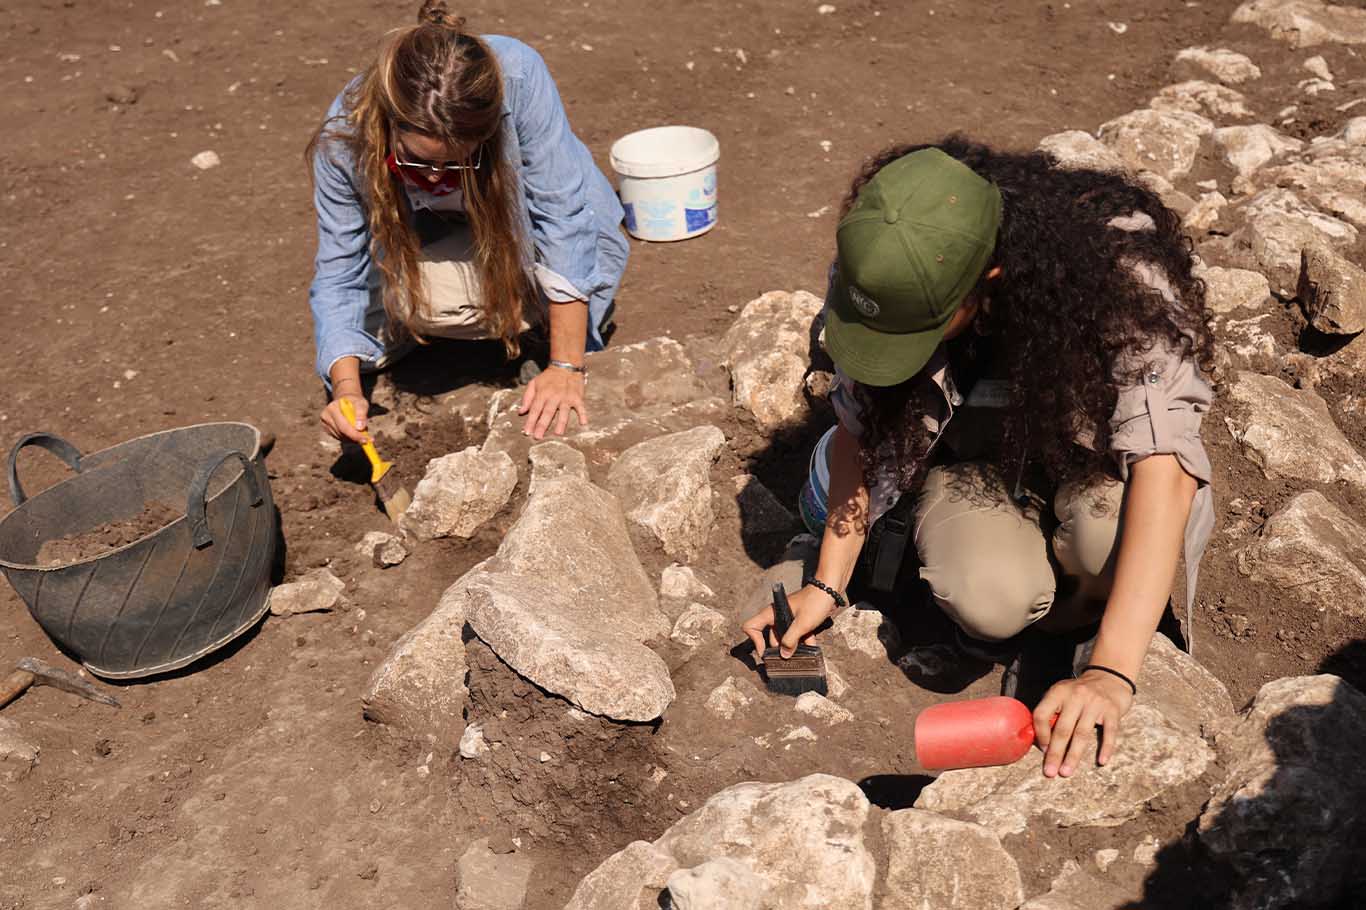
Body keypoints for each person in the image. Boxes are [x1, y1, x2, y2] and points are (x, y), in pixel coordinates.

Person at [743, 138, 1216, 779]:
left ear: (986, 280)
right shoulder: (877, 268)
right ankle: (1028, 626)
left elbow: (1166, 465)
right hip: (974, 467)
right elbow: (860, 426)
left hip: (1096, 466)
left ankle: (1077, 634)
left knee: (1104, 538)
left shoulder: (1119, 273)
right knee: (988, 598)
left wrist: (1110, 672)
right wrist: (825, 586)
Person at [306, 1, 628, 443]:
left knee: (595, 263)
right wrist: (345, 390)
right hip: (435, 233)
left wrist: (566, 366)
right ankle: (505, 314)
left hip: (521, 226)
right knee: (410, 309)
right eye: (419, 161)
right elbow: (340, 268)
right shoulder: (345, 135)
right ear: (390, 124)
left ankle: (533, 327)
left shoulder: (518, 77)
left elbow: (563, 218)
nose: (437, 176)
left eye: (457, 163)